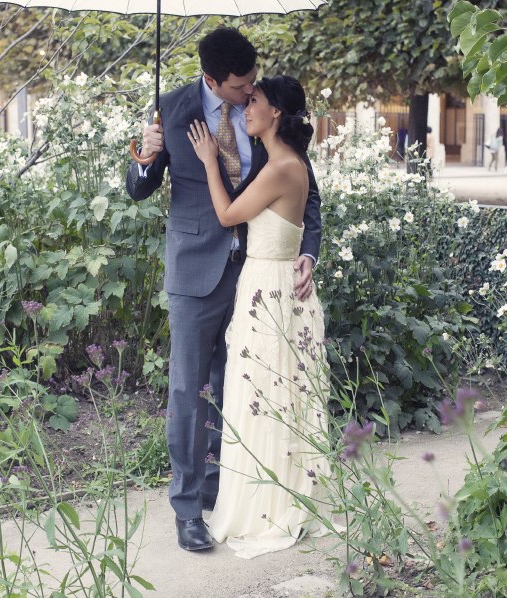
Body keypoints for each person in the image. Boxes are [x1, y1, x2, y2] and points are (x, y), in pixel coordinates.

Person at [125, 29, 323, 553]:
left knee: (238, 386)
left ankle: (224, 488)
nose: (248, 92)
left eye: (253, 82)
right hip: (194, 271)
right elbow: (139, 189)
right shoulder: (172, 109)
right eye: (239, 86)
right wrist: (145, 157)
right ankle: (188, 508)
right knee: (189, 391)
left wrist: (308, 253)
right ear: (212, 80)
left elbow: (308, 195)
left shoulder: (264, 113)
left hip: (258, 275)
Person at [188, 75, 331, 559]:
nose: (246, 108)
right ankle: (273, 496)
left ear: (276, 113)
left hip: (269, 287)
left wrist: (210, 161)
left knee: (262, 395)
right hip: (269, 283)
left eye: (255, 102)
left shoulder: (282, 166)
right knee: (270, 394)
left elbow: (229, 215)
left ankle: (266, 507)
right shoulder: (285, 161)